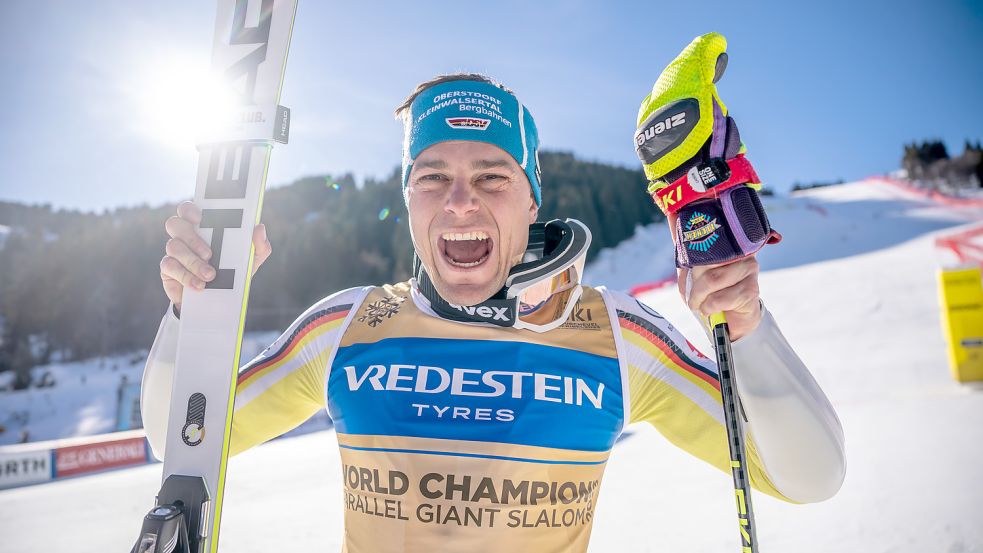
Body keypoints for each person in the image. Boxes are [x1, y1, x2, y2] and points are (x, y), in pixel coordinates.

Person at [143, 73, 845, 553]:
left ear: (531, 199)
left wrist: (746, 327)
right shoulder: (347, 326)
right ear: (410, 200)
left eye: (491, 176)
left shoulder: (617, 336)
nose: (459, 202)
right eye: (432, 178)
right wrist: (191, 310)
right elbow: (177, 441)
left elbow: (809, 477)